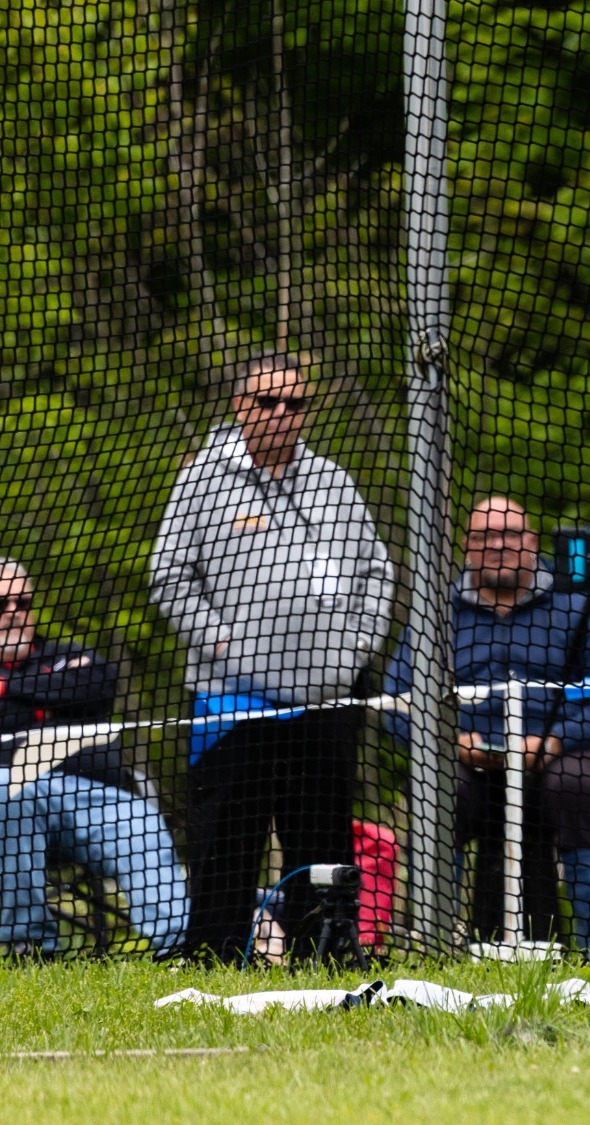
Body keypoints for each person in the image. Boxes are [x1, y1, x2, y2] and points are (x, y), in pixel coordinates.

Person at [150, 351, 393, 962]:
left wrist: (357, 645)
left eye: (295, 404)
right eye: (267, 402)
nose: (281, 415)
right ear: (240, 405)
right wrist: (224, 644)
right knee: (229, 837)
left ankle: (325, 955)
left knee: (320, 835)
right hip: (234, 701)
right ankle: (215, 957)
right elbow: (169, 578)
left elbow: (376, 570)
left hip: (326, 697)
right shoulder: (203, 479)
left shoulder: (332, 480)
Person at [385, 497, 590, 959]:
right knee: (438, 789)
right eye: (485, 537)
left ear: (532, 544)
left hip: (556, 759)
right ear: (467, 547)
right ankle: (434, 946)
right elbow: (396, 703)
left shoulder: (580, 609)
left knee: (576, 785)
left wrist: (554, 741)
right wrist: (449, 742)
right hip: (466, 762)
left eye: (511, 536)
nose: (499, 546)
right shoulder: (434, 613)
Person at [0, 559, 188, 956]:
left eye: (24, 602)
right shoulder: (61, 667)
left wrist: (9, 688)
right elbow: (68, 694)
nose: (16, 613)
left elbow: (98, 685)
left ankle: (180, 948)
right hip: (12, 800)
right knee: (8, 793)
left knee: (140, 820)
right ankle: (29, 946)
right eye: (3, 605)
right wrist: (51, 697)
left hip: (97, 796)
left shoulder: (67, 651)